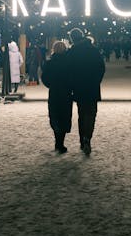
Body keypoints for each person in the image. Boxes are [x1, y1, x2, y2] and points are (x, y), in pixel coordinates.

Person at [66, 28, 105, 156]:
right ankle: (88, 137)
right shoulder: (93, 50)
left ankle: (83, 140)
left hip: (79, 87)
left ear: (73, 38)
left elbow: (69, 71)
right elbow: (101, 67)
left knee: (82, 114)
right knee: (91, 113)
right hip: (92, 87)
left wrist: (72, 84)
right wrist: (96, 81)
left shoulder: (72, 52)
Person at [41, 40, 73, 153]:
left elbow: (44, 77)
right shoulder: (69, 62)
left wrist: (51, 85)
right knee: (64, 116)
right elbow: (73, 77)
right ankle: (61, 143)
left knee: (54, 115)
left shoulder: (50, 62)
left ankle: (57, 141)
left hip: (54, 92)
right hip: (66, 92)